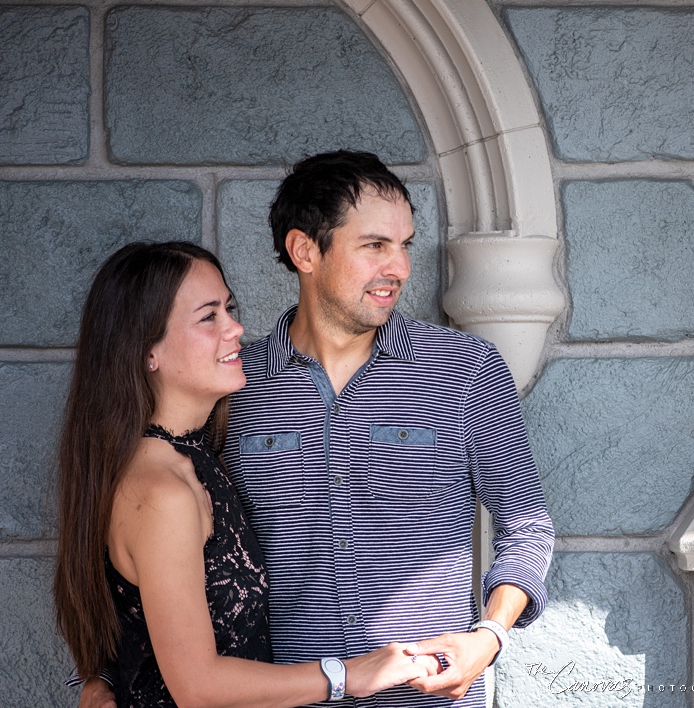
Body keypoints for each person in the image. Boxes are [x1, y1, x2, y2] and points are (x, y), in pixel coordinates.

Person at [82, 151, 554, 708]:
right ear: (305, 250)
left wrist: (488, 638)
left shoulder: (465, 368)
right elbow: (153, 546)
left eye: (404, 245)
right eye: (375, 245)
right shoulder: (232, 383)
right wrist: (105, 676)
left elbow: (526, 524)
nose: (399, 267)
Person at [58, 241, 439, 708]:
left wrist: (101, 676)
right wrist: (350, 675)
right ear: (146, 351)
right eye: (208, 317)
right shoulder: (162, 490)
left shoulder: (196, 456)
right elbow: (197, 686)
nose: (235, 327)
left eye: (229, 308)